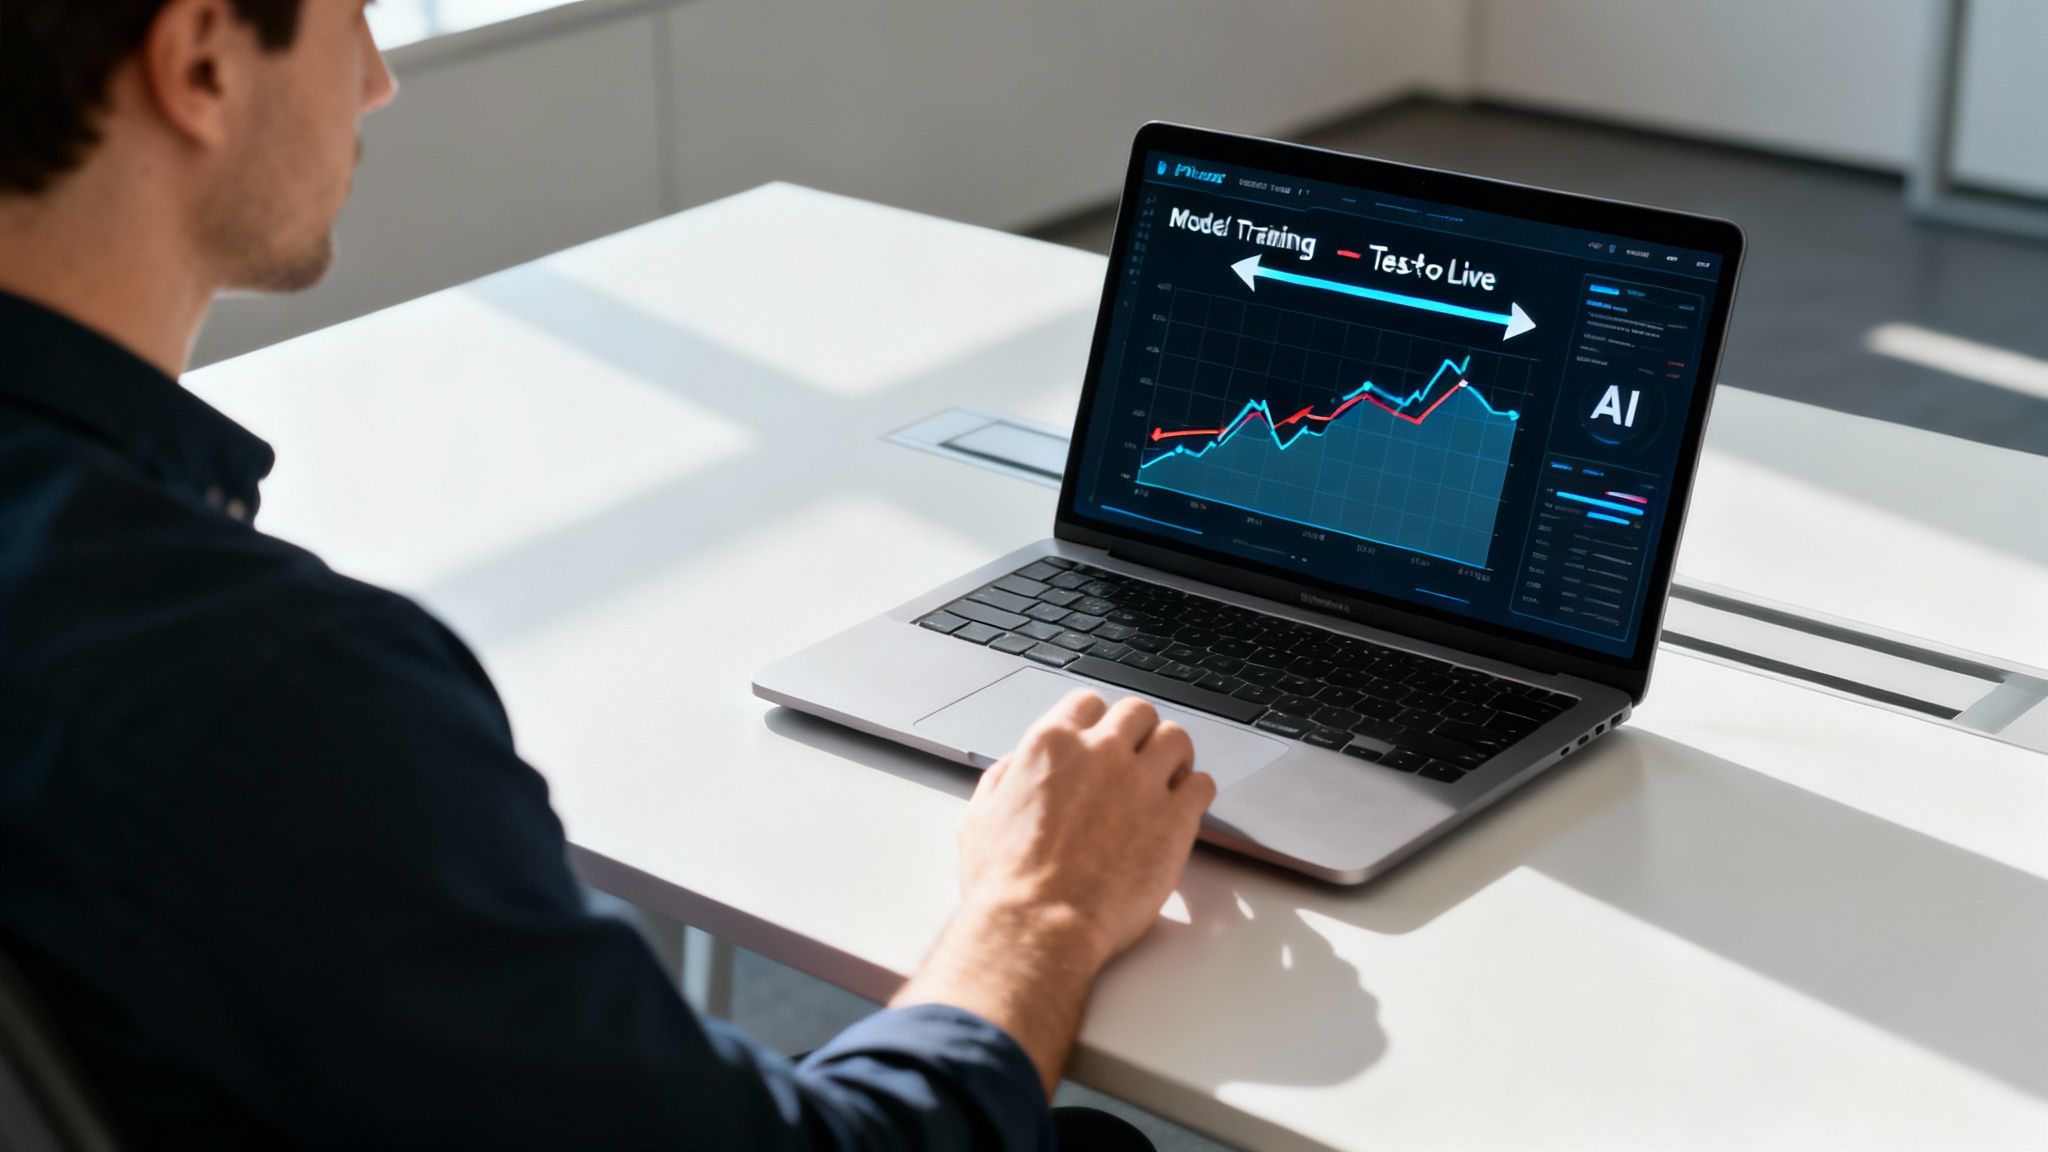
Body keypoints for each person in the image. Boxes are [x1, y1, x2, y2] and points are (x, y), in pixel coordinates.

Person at [0, 2, 1218, 1148]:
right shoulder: (269, 696)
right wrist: (1037, 908)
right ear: (202, 58)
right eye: (354, 15)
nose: (376, 82)